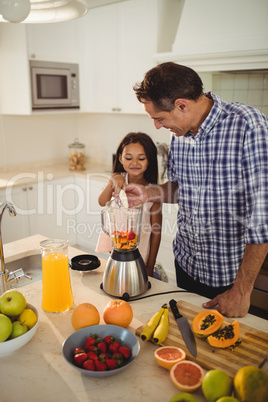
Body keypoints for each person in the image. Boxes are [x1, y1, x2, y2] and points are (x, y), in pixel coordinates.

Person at [125, 62, 268, 317]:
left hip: (227, 275)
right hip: (186, 264)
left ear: (182, 105)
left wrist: (242, 291)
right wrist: (150, 193)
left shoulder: (247, 124)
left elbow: (262, 216)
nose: (157, 126)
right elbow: (181, 189)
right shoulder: (178, 134)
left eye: (159, 118)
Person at [97, 132, 162, 277]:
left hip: (140, 254)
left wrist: (150, 266)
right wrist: (113, 180)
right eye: (128, 158)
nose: (134, 163)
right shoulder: (117, 181)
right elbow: (102, 202)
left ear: (149, 160)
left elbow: (156, 233)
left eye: (141, 158)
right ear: (120, 158)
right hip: (117, 250)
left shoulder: (153, 193)